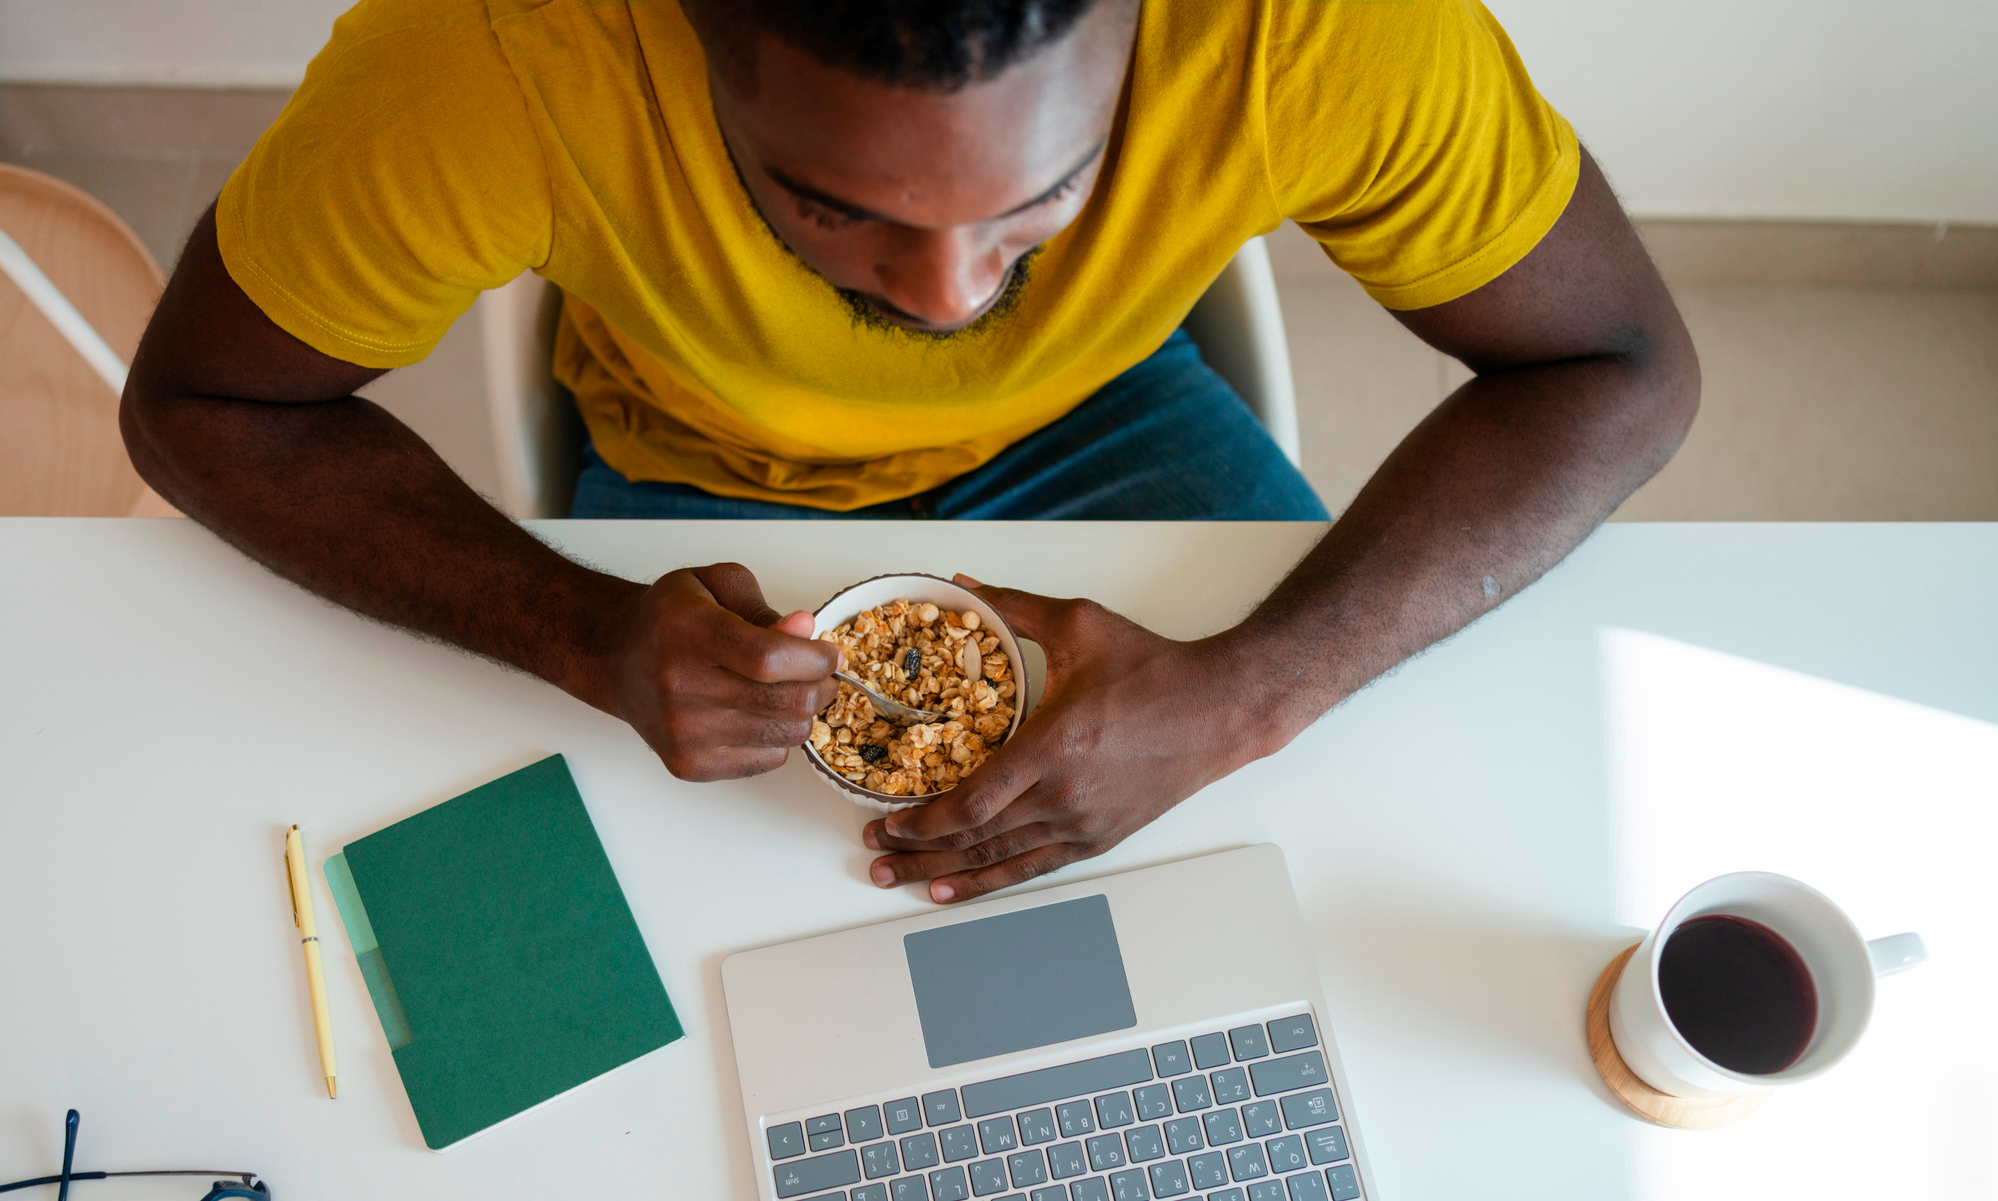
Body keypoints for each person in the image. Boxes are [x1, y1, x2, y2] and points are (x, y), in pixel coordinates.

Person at [122, 0, 1698, 904]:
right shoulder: (495, 55)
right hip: (691, 466)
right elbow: (198, 407)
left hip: (1106, 416)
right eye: (830, 207)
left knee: (1321, 865)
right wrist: (581, 627)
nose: (950, 301)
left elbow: (1619, 369)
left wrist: (1244, 697)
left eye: (1038, 200)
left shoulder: (1323, 33)